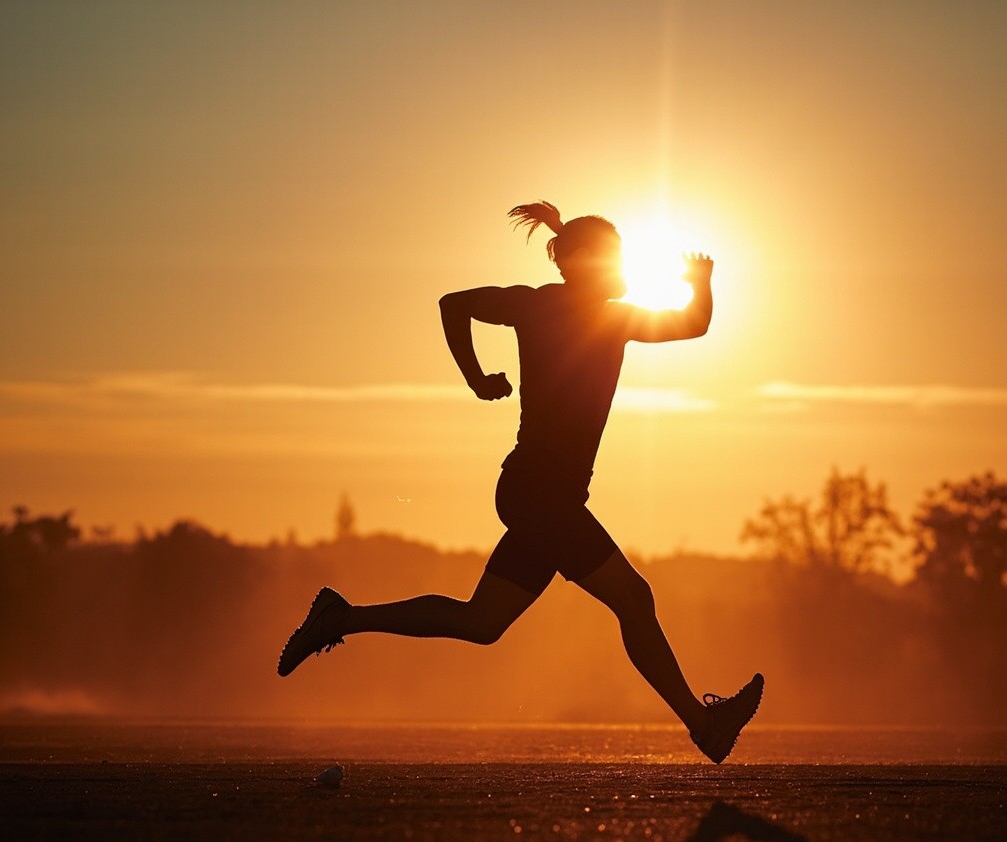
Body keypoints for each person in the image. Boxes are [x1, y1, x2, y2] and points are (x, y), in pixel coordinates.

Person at [278, 201, 763, 763]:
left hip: (543, 498)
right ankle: (704, 726)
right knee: (634, 598)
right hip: (538, 494)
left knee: (481, 621)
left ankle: (341, 618)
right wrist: (476, 378)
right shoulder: (540, 306)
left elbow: (693, 324)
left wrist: (701, 283)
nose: (623, 267)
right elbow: (453, 304)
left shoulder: (615, 319)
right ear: (579, 263)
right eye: (613, 257)